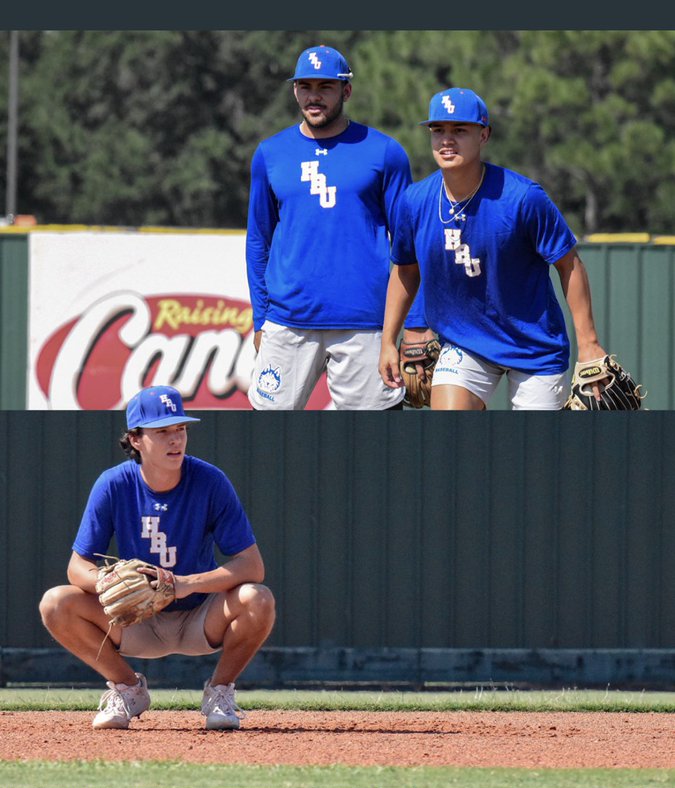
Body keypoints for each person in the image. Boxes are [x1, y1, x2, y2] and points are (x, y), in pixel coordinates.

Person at [39, 385, 275, 731]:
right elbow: (77, 567)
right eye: (162, 431)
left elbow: (252, 565)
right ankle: (128, 689)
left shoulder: (210, 481)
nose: (175, 439)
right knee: (55, 603)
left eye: (180, 429)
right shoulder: (113, 484)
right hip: (136, 616)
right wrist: (106, 580)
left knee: (258, 598)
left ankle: (220, 692)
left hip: (200, 615)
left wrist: (183, 585)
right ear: (136, 439)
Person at [379, 87, 607, 411]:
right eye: (438, 130)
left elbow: (570, 265)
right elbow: (405, 271)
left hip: (534, 347)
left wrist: (589, 345)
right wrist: (389, 340)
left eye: (460, 130)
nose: (447, 140)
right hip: (466, 342)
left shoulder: (522, 198)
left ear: (484, 135)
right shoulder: (415, 202)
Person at [246, 43, 431, 411]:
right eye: (305, 87)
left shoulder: (384, 152)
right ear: (295, 90)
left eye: (325, 87)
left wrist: (416, 321)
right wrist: (260, 318)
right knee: (265, 444)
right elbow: (258, 240)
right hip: (288, 320)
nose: (314, 97)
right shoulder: (270, 153)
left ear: (346, 91)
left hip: (366, 322)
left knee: (376, 450)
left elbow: (410, 245)